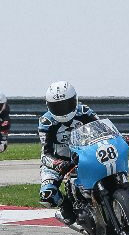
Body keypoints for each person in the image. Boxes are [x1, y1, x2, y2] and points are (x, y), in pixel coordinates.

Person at [36, 81, 99, 224]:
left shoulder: (84, 111)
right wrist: (57, 163)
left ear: (74, 100)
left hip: (86, 154)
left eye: (66, 104)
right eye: (57, 106)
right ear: (48, 105)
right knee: (47, 195)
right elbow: (45, 153)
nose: (62, 110)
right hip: (58, 160)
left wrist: (122, 139)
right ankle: (66, 205)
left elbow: (103, 129)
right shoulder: (46, 122)